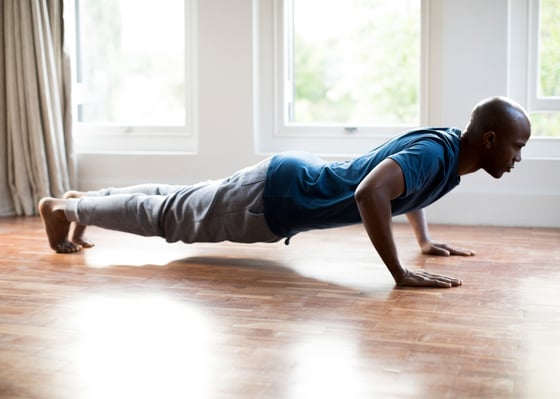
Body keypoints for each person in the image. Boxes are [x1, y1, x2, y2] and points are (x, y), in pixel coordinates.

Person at [39, 96, 531, 288]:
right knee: (169, 217)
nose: (517, 158)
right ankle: (65, 208)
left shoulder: (446, 150)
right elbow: (370, 193)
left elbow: (406, 189)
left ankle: (86, 200)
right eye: (516, 146)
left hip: (284, 183)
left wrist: (422, 240)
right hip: (274, 200)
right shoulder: (438, 155)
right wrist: (398, 272)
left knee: (176, 197)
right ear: (489, 140)